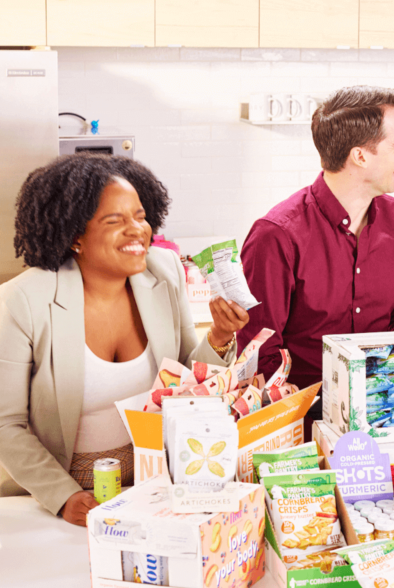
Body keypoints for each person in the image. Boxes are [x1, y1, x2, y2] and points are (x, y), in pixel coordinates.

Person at [0, 154, 248, 526]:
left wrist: (220, 336)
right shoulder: (23, 300)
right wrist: (63, 496)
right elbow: (7, 423)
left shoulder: (164, 272)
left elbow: (184, 383)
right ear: (75, 236)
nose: (137, 230)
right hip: (62, 492)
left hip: (157, 482)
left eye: (140, 216)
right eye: (115, 220)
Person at [237, 86, 394, 428]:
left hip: (387, 416)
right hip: (300, 426)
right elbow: (257, 352)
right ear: (360, 156)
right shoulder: (276, 234)